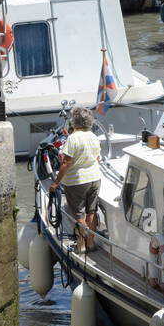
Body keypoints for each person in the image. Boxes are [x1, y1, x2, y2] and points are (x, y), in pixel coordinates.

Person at [50, 105, 103, 250]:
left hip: (76, 182)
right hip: (94, 178)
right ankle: (91, 242)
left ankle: (81, 245)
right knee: (91, 211)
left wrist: (55, 183)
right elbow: (97, 159)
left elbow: (66, 163)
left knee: (79, 213)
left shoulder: (73, 138)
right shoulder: (94, 137)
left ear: (76, 122)